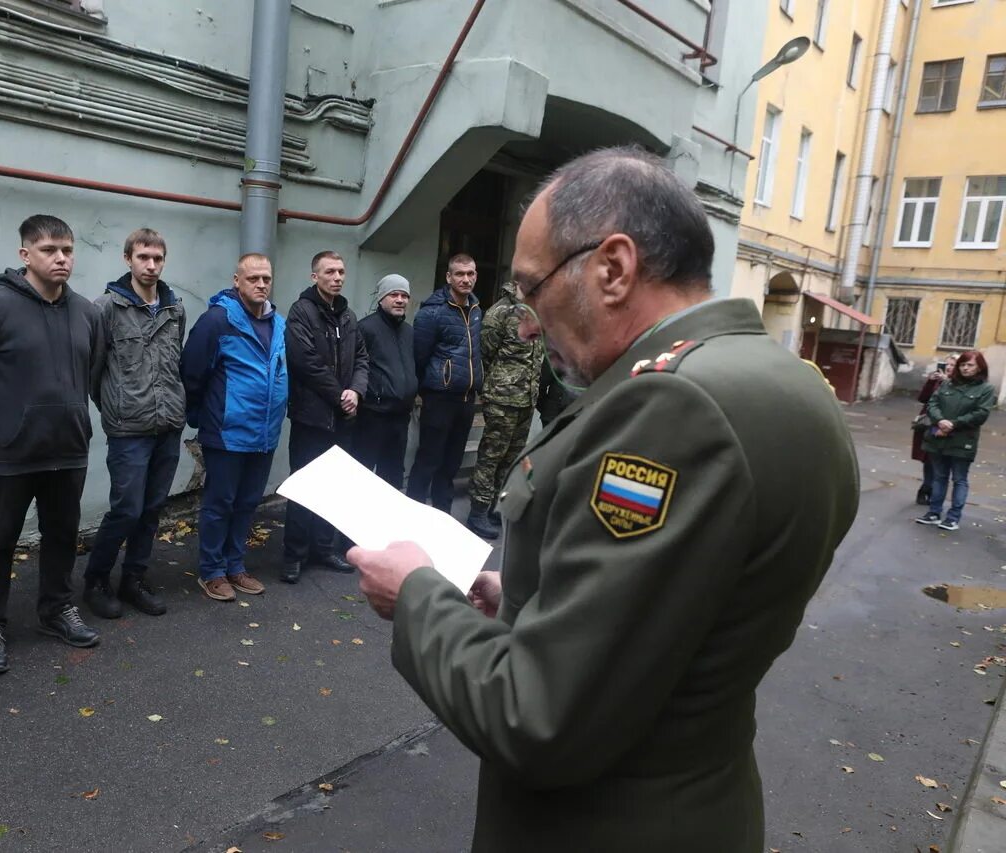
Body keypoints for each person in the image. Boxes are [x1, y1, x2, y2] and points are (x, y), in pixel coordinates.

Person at [348, 146, 860, 850]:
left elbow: (539, 715)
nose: (526, 321)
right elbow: (674, 604)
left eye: (532, 288)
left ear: (613, 269)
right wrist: (529, 593)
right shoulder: (783, 379)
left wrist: (416, 593)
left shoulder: (672, 410)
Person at [0, 214, 105, 676]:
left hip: (67, 449)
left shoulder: (86, 311)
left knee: (63, 536)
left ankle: (56, 609)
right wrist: (3, 417)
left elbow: (91, 371)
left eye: (67, 249)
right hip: (9, 453)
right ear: (25, 255)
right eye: (49, 250)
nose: (61, 258)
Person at [82, 229, 185, 620]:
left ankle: (134, 579)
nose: (151, 265)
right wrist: (115, 408)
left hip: (169, 425)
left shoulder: (175, 310)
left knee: (153, 508)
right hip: (129, 428)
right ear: (128, 259)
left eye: (157, 258)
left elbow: (175, 364)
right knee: (126, 509)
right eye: (143, 257)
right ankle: (96, 580)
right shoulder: (106, 308)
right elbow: (93, 370)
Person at [181, 254, 287, 602]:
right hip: (227, 432)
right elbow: (192, 372)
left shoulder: (278, 323)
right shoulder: (218, 320)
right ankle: (212, 571)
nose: (260, 284)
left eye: (266, 279)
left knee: (247, 503)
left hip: (264, 433)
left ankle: (235, 565)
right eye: (253, 278)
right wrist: (203, 417)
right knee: (220, 502)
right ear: (237, 280)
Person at [280, 251, 368, 584]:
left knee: (334, 490)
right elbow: (305, 362)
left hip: (342, 418)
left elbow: (362, 357)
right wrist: (339, 395)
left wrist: (356, 391)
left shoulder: (348, 315)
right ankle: (293, 555)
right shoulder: (301, 312)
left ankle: (323, 548)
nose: (337, 277)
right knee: (305, 487)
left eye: (341, 271)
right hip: (311, 418)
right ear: (314, 276)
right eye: (329, 271)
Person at [465, 282, 544, 539]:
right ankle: (477, 511)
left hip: (526, 397)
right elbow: (485, 353)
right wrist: (501, 382)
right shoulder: (500, 312)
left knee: (513, 457)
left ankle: (497, 507)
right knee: (492, 456)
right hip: (502, 397)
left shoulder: (537, 310)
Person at [406, 254, 482, 514]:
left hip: (466, 400)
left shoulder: (475, 309)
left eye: (470, 273)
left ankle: (442, 516)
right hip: (439, 399)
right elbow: (419, 356)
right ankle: (413, 517)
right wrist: (423, 391)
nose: (466, 279)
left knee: (451, 465)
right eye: (459, 274)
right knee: (428, 461)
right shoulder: (432, 312)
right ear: (449, 277)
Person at [914, 350, 995, 532]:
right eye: (963, 365)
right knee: (939, 477)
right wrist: (940, 420)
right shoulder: (948, 384)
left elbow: (981, 413)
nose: (965, 368)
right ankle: (934, 513)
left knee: (959, 479)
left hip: (962, 440)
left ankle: (952, 518)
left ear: (979, 367)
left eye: (970, 365)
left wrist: (954, 424)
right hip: (938, 438)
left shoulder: (986, 389)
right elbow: (932, 403)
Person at [353, 274, 417, 489]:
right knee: (362, 473)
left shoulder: (409, 332)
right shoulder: (366, 328)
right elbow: (356, 368)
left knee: (393, 475)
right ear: (381, 298)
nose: (400, 300)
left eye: (404, 295)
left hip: (400, 417)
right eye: (394, 295)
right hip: (372, 415)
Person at [912, 360, 954, 505]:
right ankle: (926, 489)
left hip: (946, 425)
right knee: (928, 458)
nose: (948, 367)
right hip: (928, 424)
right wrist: (930, 382)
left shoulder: (958, 384)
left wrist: (947, 382)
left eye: (953, 365)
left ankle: (933, 491)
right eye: (947, 364)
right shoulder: (938, 381)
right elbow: (923, 399)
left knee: (939, 460)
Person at [535, 358, 580, 428]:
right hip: (554, 414)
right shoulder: (560, 350)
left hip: (580, 416)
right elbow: (541, 383)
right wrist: (545, 408)